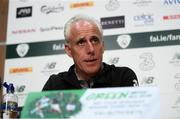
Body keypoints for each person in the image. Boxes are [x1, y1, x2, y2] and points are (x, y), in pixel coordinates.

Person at [42, 14, 138, 91]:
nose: (91, 49)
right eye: (81, 42)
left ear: (103, 46)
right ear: (69, 50)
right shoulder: (55, 85)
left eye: (94, 40)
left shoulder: (123, 77)